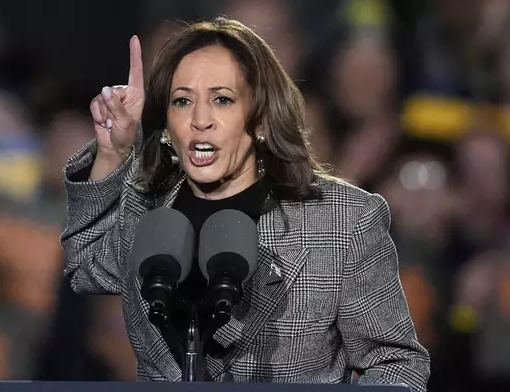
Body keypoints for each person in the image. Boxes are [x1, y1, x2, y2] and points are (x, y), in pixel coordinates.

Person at [61, 17, 430, 390]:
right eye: (182, 101)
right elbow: (84, 267)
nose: (200, 120)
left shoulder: (342, 220)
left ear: (259, 120)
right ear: (168, 126)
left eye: (222, 99)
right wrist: (113, 152)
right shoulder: (146, 211)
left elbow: (397, 363)